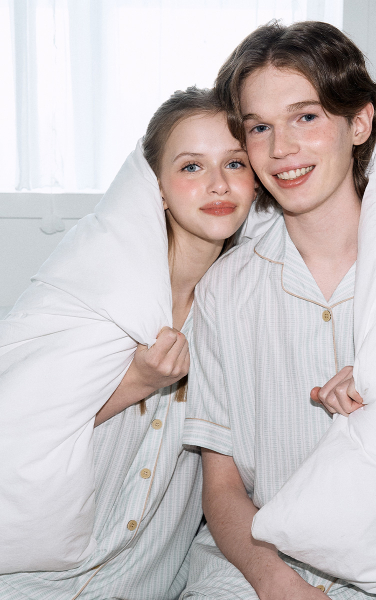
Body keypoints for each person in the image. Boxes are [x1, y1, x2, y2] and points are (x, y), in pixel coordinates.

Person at [0, 87, 257, 599]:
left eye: (235, 163)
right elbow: (24, 426)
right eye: (191, 166)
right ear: (155, 187)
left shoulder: (244, 304)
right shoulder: (98, 281)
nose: (218, 183)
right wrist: (138, 381)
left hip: (140, 578)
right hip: (34, 574)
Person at [181, 21, 376, 600]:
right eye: (260, 127)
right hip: (253, 568)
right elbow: (221, 487)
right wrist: (276, 583)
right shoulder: (225, 290)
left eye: (305, 117)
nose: (281, 149)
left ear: (359, 122)